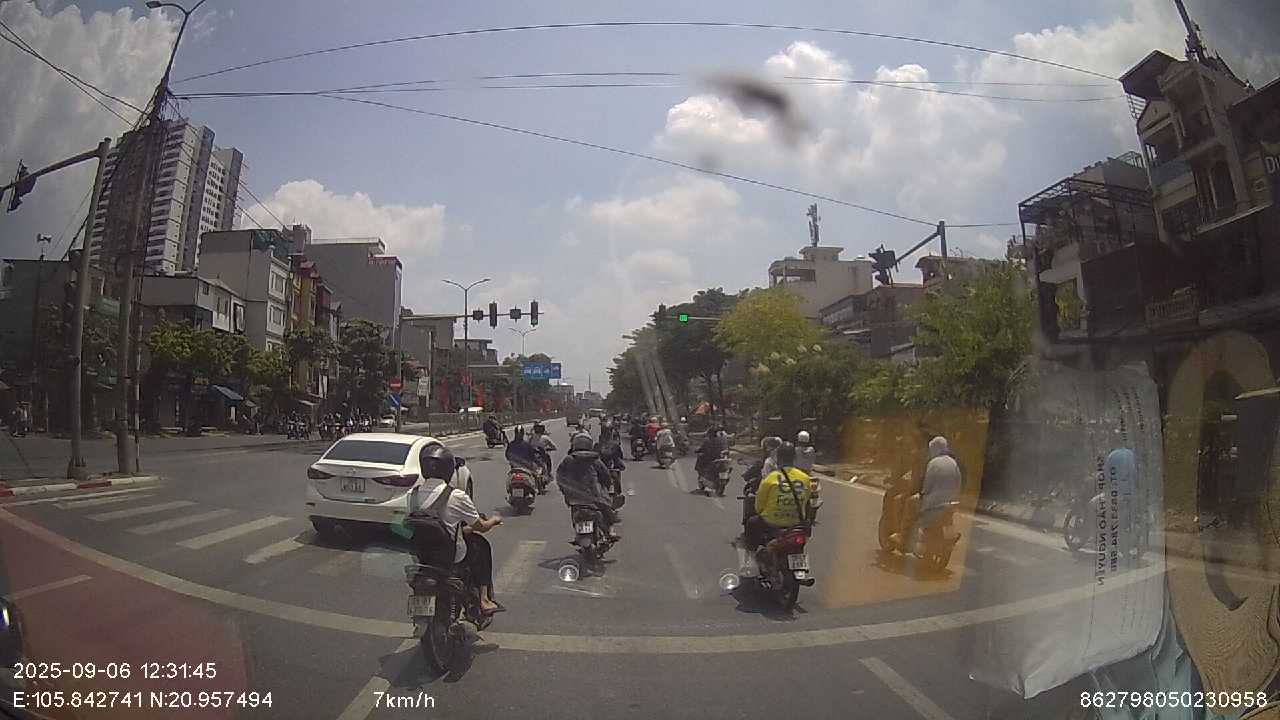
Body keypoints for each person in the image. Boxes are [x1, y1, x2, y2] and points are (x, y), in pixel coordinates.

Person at [408, 443, 504, 614]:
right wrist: (494, 520)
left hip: (421, 556)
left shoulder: (412, 495)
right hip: (450, 556)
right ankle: (484, 599)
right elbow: (481, 527)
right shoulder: (456, 496)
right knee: (481, 546)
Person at [744, 442, 814, 549]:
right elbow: (806, 501)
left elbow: (759, 507)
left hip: (772, 523)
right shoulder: (805, 478)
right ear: (794, 457)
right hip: (796, 524)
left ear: (778, 458)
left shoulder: (769, 478)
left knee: (751, 523)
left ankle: (750, 554)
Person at [555, 434, 621, 540]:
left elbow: (559, 476)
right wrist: (606, 487)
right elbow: (606, 475)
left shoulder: (568, 459)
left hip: (574, 497)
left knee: (576, 513)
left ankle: (580, 533)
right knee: (608, 511)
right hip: (594, 495)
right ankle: (610, 532)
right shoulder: (595, 459)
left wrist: (565, 490)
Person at [920, 436, 962, 516]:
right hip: (950, 503)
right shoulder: (953, 462)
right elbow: (958, 482)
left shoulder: (933, 463)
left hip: (934, 505)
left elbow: (927, 487)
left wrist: (922, 494)